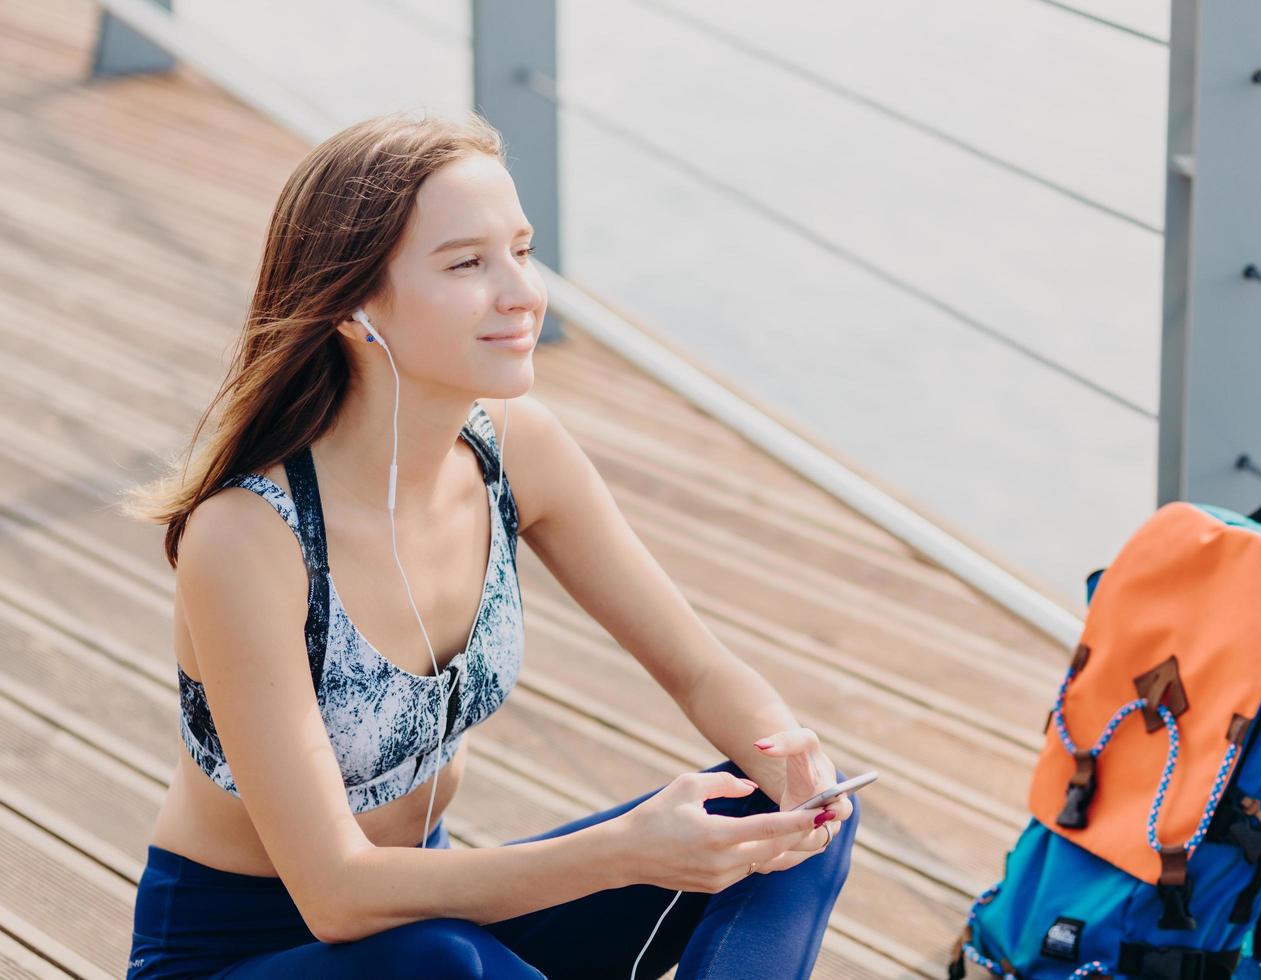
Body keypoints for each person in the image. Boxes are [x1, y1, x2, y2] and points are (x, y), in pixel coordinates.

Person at [118, 109, 857, 978]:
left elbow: (699, 669)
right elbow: (338, 893)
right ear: (354, 305)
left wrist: (790, 756)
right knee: (442, 964)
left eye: (521, 249)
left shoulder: (514, 449)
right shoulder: (248, 538)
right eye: (468, 264)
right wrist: (626, 852)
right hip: (254, 950)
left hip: (443, 911)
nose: (523, 294)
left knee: (799, 816)